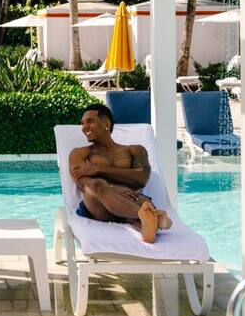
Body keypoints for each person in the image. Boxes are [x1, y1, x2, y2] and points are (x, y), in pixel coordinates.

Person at [69, 104, 172, 243]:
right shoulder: (80, 153)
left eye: (90, 121)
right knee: (97, 184)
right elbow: (82, 182)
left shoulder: (135, 150)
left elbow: (141, 178)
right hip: (98, 207)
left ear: (106, 123)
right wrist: (113, 189)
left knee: (143, 201)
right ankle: (150, 216)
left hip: (131, 199)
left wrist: (98, 169)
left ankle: (147, 227)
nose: (84, 127)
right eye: (82, 123)